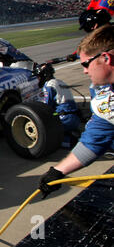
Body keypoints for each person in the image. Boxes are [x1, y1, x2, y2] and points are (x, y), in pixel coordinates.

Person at [39, 24, 114, 199]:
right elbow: (95, 139)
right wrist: (58, 171)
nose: (84, 70)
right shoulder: (103, 98)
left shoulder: (49, 86)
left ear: (105, 58)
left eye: (86, 64)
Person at [37, 63, 81, 148]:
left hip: (65, 118)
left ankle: (73, 142)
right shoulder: (60, 81)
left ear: (43, 75)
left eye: (39, 76)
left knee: (45, 136)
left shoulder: (49, 85)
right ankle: (70, 134)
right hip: (75, 117)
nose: (38, 78)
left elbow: (46, 107)